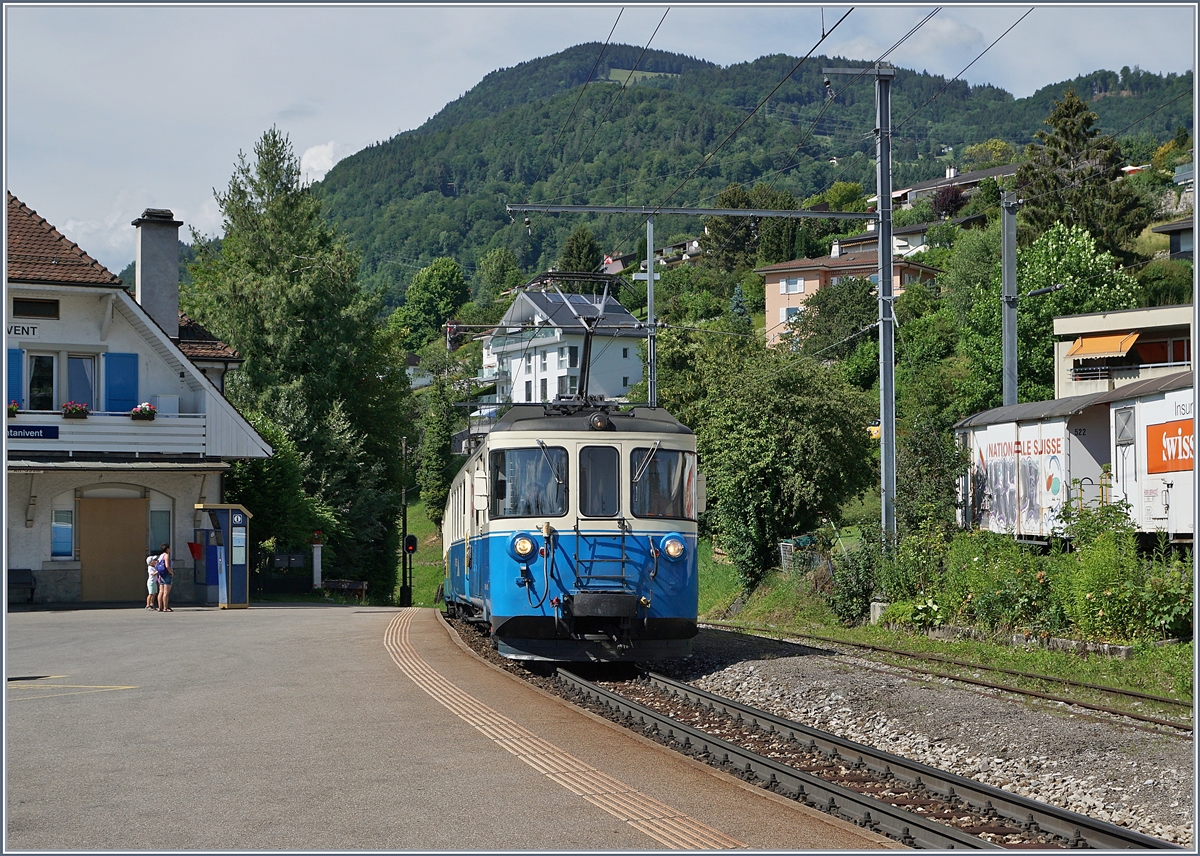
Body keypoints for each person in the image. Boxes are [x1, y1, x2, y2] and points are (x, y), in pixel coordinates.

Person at [155, 544, 174, 612]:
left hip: (161, 575)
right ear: (167, 549)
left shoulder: (160, 556)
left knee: (161, 592)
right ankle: (165, 607)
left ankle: (160, 607)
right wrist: (171, 572)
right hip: (167, 574)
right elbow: (167, 566)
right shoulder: (166, 555)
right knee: (166, 592)